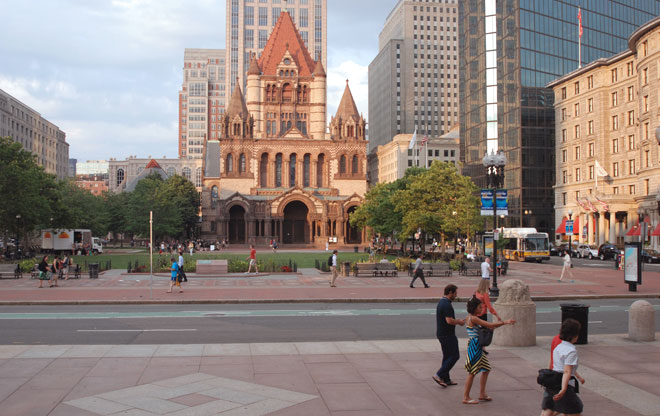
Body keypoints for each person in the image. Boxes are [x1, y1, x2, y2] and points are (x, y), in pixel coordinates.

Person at [462, 296, 516, 405]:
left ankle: (482, 393)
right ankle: (466, 397)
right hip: (475, 346)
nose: (482, 309)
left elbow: (487, 328)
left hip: (475, 345)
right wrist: (505, 322)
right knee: (472, 372)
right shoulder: (474, 318)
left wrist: (499, 325)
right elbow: (489, 325)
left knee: (486, 369)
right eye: (480, 307)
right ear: (474, 308)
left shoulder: (469, 317)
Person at [541, 318, 585, 416]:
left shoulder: (559, 347)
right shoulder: (571, 351)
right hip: (564, 383)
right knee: (575, 410)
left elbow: (560, 366)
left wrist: (578, 377)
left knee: (551, 408)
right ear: (574, 336)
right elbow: (567, 371)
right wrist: (564, 389)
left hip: (553, 382)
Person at [432, 284, 465, 388]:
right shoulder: (446, 304)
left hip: (442, 333)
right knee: (455, 355)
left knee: (447, 356)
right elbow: (449, 320)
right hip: (447, 334)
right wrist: (459, 322)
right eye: (455, 293)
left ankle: (446, 379)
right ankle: (438, 374)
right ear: (450, 292)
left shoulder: (442, 302)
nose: (456, 295)